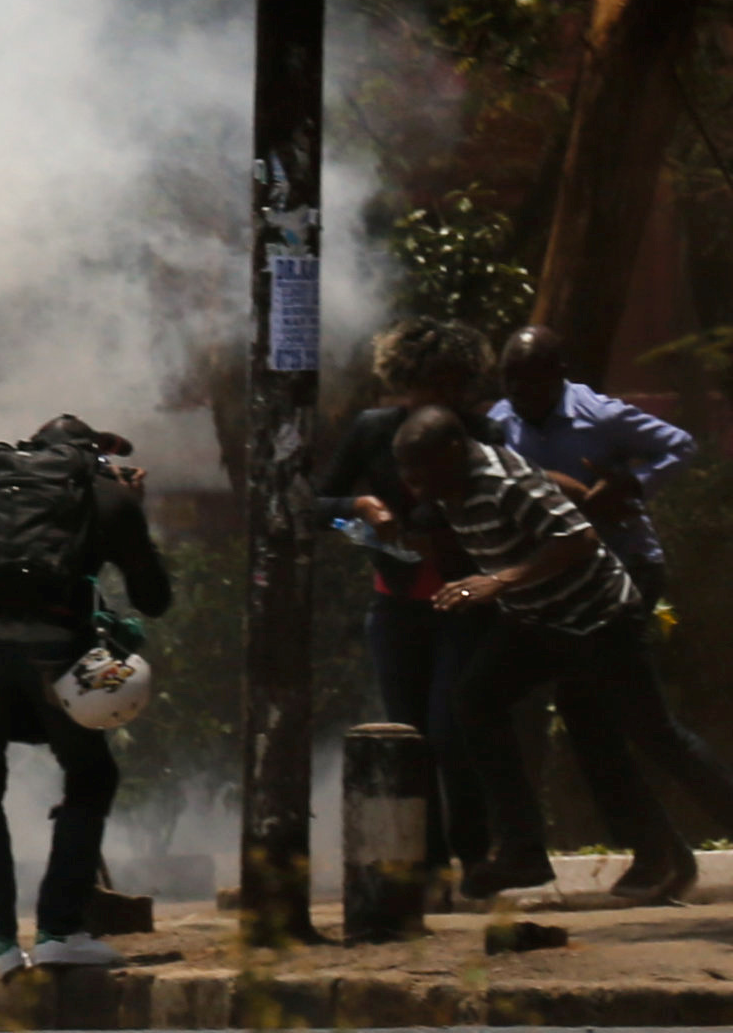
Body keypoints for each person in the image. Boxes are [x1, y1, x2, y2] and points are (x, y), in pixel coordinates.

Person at [379, 405, 733, 900]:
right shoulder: (453, 484)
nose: (413, 482)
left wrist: (498, 581)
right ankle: (524, 850)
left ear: (453, 453)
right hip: (542, 620)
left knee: (656, 735)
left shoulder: (501, 484)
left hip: (599, 619)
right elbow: (548, 481)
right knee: (476, 699)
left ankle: (665, 847)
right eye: (406, 472)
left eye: (420, 470)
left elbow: (578, 538)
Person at [0, 414, 172, 975]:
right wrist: (130, 507)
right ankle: (58, 930)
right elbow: (154, 597)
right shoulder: (108, 501)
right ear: (93, 459)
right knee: (91, 776)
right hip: (53, 654)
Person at [312, 319, 499, 879]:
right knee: (409, 737)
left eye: (450, 384)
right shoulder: (372, 432)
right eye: (427, 383)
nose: (436, 397)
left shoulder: (483, 435)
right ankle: (428, 864)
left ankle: (475, 852)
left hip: (466, 605)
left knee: (451, 730)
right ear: (404, 380)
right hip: (395, 606)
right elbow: (314, 505)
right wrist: (362, 508)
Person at [486, 326, 696, 611]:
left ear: (558, 373)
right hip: (554, 573)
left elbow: (681, 446)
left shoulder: (600, 417)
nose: (517, 389)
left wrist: (630, 484)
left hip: (624, 565)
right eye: (509, 378)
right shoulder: (498, 422)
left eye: (530, 378)